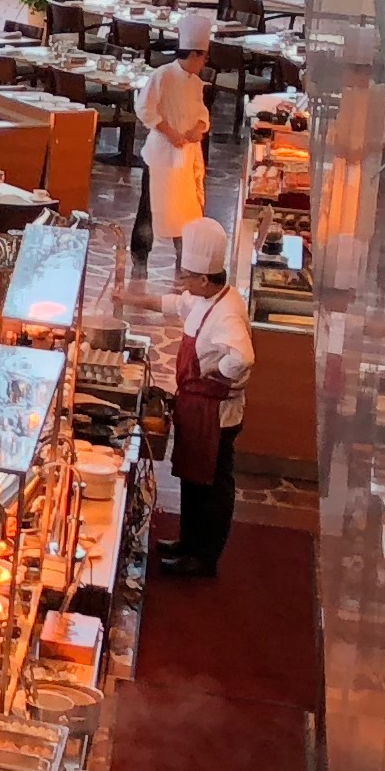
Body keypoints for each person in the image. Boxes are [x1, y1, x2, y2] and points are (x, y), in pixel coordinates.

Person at [163, 216, 256, 577]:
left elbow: (243, 358)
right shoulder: (207, 298)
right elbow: (179, 305)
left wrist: (219, 376)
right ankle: (187, 542)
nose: (182, 281)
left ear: (204, 279)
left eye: (186, 276)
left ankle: (203, 558)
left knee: (212, 486)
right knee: (191, 479)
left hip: (217, 416)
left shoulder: (229, 314)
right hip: (196, 407)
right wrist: (133, 298)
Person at [132, 13, 215, 257]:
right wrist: (171, 133)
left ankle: (185, 257)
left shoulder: (196, 83)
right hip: (160, 154)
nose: (205, 62)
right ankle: (140, 256)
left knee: (186, 209)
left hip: (186, 155)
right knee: (150, 207)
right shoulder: (162, 75)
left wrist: (197, 129)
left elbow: (202, 114)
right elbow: (144, 108)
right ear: (193, 54)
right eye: (204, 57)